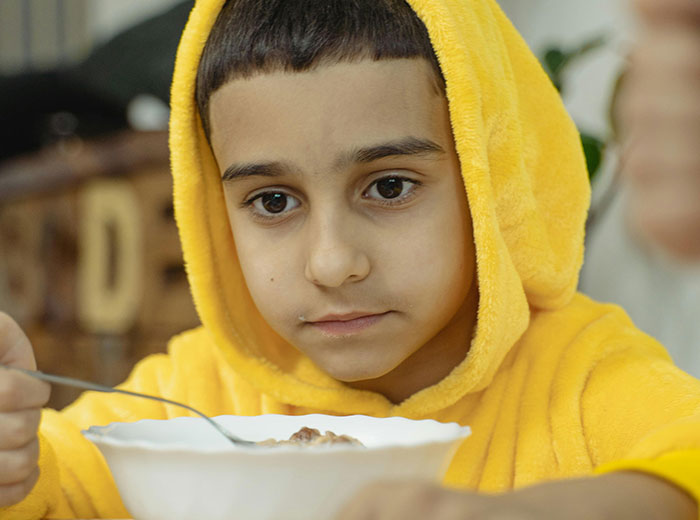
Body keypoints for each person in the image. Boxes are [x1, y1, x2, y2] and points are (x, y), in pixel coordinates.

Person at [1, 0, 700, 518]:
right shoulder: (198, 395)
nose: (332, 264)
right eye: (273, 202)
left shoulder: (582, 382)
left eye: (389, 187)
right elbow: (61, 484)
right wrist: (16, 463)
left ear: (495, 181)